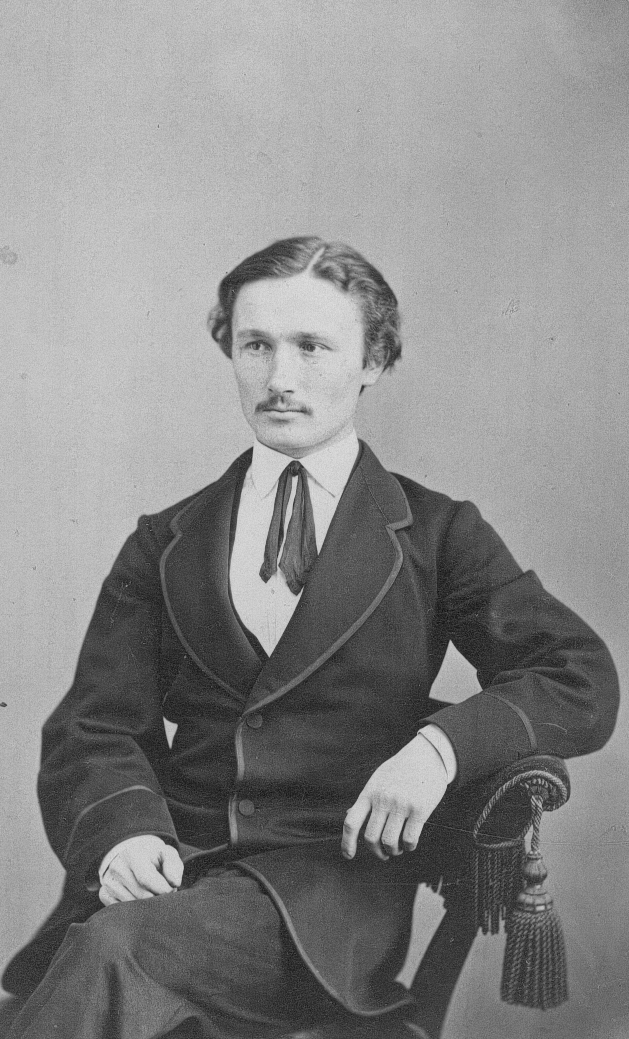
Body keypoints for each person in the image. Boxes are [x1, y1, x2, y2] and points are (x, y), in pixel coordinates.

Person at [4, 237, 619, 1038]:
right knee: (109, 950)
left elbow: (577, 674)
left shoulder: (435, 535)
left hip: (322, 904)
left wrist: (437, 751)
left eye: (311, 346)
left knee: (112, 953)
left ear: (373, 360)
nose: (279, 377)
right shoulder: (167, 539)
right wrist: (124, 834)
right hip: (168, 874)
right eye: (255, 345)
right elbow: (94, 724)